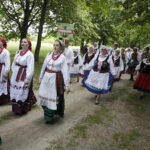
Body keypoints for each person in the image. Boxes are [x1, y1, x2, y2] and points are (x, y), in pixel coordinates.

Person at [39, 40, 69, 123]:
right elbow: (44, 66)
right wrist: (41, 77)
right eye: (54, 45)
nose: (55, 47)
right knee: (42, 94)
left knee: (52, 97)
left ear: (60, 47)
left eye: (57, 45)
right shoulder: (48, 55)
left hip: (55, 78)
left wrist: (66, 85)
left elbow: (65, 71)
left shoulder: (62, 57)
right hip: (46, 77)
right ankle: (48, 111)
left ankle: (49, 116)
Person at [10, 38, 36, 115]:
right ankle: (15, 108)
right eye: (22, 42)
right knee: (15, 90)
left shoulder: (30, 55)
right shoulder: (18, 52)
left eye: (25, 42)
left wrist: (27, 78)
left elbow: (30, 68)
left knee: (22, 90)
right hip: (16, 74)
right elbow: (14, 63)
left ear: (28, 45)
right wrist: (14, 71)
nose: (23, 43)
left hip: (24, 74)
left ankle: (21, 109)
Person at [0, 37, 10, 105]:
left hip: (2, 69)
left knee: (3, 83)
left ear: (3, 43)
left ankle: (3, 100)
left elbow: (8, 63)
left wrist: (6, 72)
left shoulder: (5, 52)